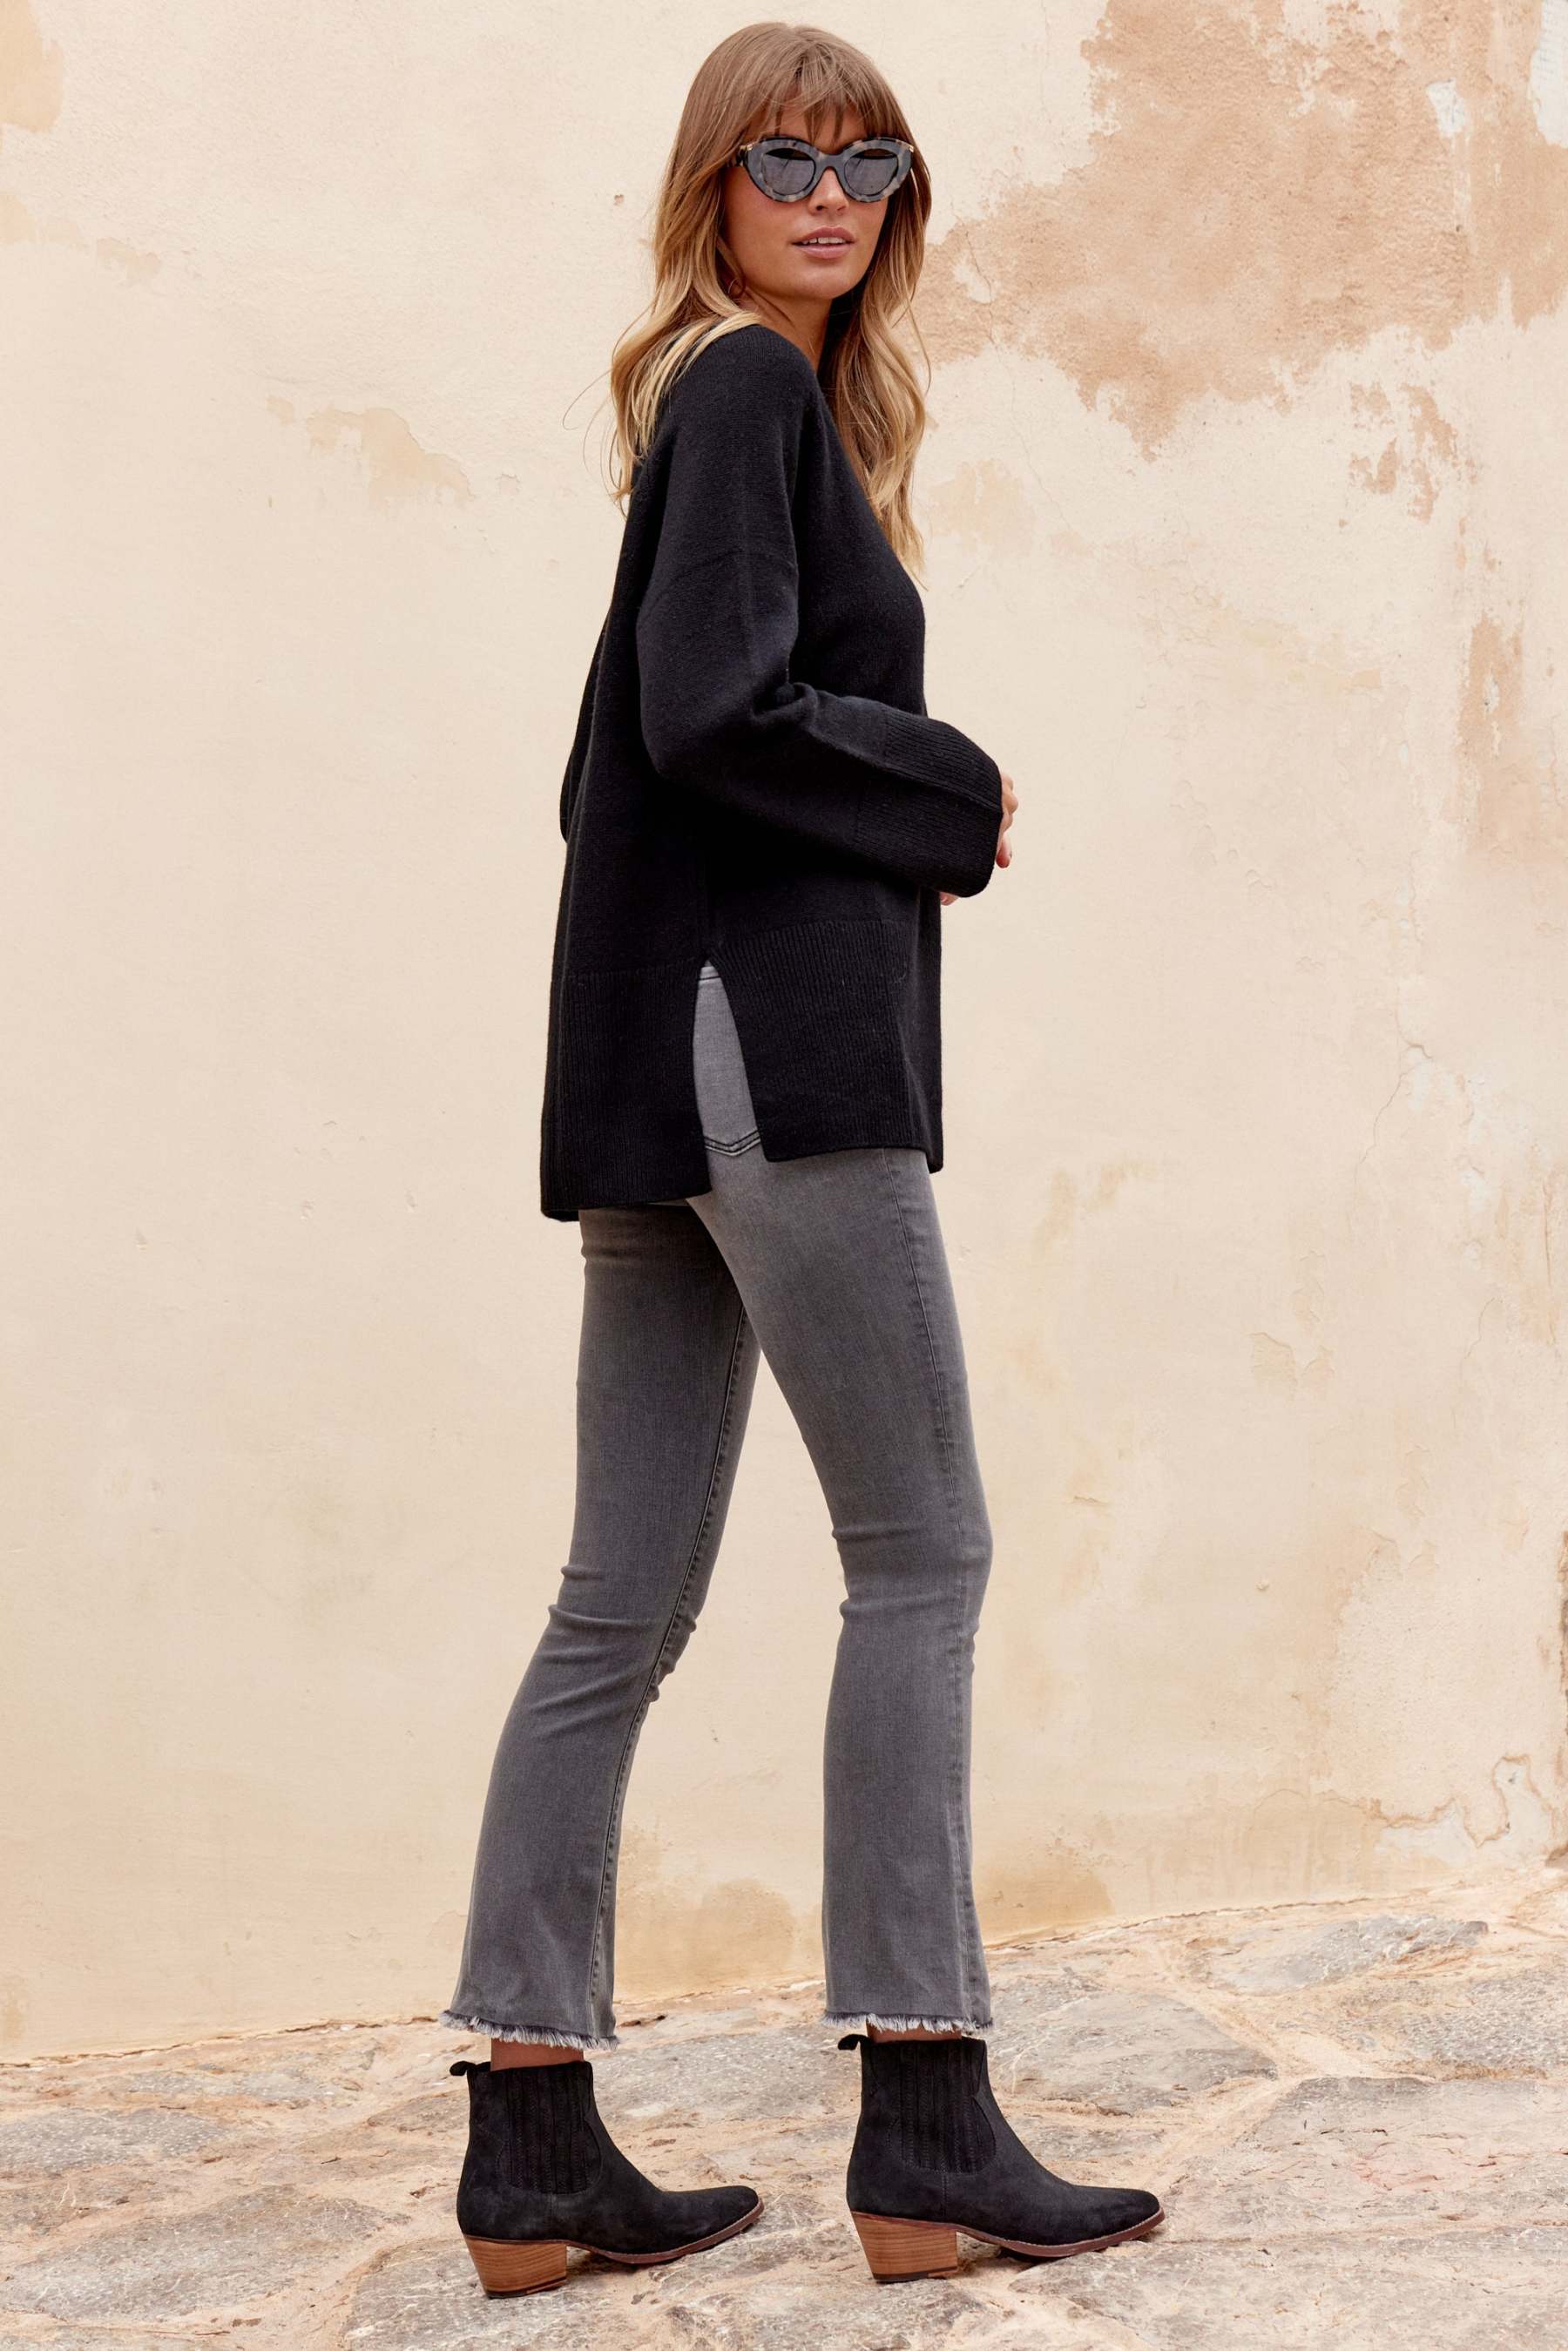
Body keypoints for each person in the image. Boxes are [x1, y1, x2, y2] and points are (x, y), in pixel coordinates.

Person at [440, 20, 1164, 2300]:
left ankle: (529, 2142)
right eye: (786, 160)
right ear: (717, 186)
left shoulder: (713, 404)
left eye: (873, 165)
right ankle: (924, 2110)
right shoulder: (749, 389)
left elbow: (610, 772)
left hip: (660, 1082)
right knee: (922, 1551)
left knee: (615, 1602)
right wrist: (945, 786)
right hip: (772, 1060)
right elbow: (707, 717)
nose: (832, 198)